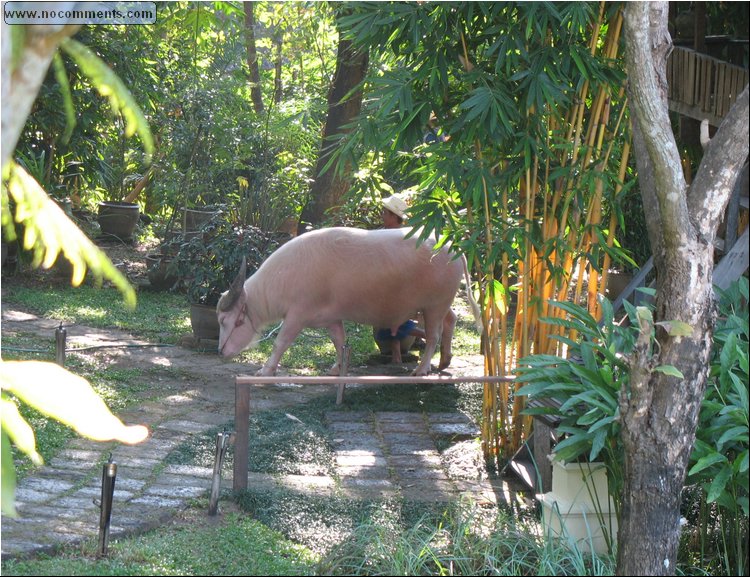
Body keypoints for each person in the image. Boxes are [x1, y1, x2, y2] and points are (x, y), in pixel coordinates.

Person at [374, 193, 427, 364]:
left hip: (402, 285)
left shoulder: (407, 237)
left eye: (384, 213)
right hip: (383, 284)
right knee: (386, 320)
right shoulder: (379, 235)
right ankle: (397, 351)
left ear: (393, 216)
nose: (382, 216)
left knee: (396, 320)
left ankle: (426, 336)